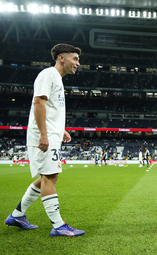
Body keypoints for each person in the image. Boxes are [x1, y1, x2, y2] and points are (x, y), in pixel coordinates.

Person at [4, 44, 85, 236]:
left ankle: (17, 215)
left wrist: (60, 129)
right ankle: (58, 225)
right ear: (61, 58)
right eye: (75, 59)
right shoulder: (48, 74)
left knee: (45, 177)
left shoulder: (56, 78)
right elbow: (38, 102)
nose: (78, 64)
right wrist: (43, 134)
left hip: (52, 134)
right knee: (50, 177)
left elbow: (49, 108)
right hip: (43, 135)